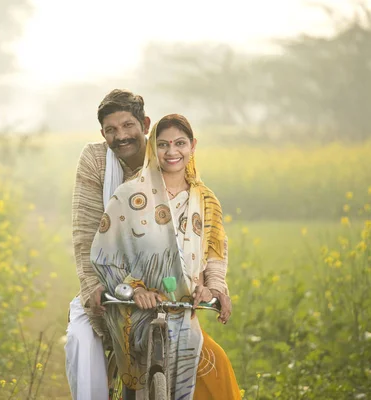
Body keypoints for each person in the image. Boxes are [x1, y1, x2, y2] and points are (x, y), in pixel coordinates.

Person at [89, 114, 241, 400]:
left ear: (193, 146)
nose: (172, 152)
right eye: (163, 144)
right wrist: (135, 288)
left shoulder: (205, 199)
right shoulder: (129, 195)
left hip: (182, 310)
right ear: (152, 149)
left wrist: (215, 288)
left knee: (215, 368)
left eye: (180, 143)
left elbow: (215, 253)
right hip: (135, 313)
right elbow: (105, 256)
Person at [65, 89, 151, 400]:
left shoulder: (167, 156)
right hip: (107, 280)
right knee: (81, 340)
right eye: (111, 130)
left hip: (162, 282)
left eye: (128, 125)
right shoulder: (96, 159)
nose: (121, 136)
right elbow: (85, 230)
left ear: (146, 125)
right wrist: (91, 286)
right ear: (103, 133)